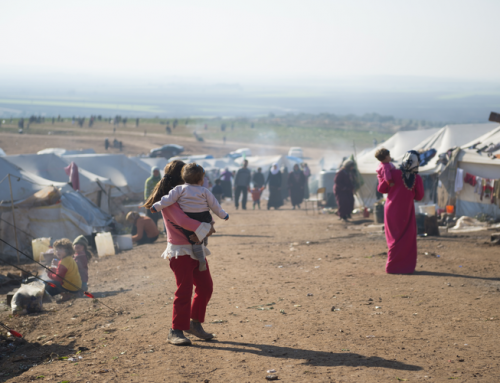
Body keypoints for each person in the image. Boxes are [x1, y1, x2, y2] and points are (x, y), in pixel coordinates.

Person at [144, 160, 216, 345]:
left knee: (205, 286)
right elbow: (182, 220)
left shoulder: (186, 197)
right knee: (184, 290)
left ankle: (194, 324)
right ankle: (175, 330)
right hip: (180, 250)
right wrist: (205, 227)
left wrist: (206, 224)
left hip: (196, 248)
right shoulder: (169, 201)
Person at [151, 163, 229, 271]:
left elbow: (166, 199)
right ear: (201, 180)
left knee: (195, 240)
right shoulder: (204, 191)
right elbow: (215, 206)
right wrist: (223, 215)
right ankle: (202, 256)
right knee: (199, 240)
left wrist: (156, 206)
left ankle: (201, 253)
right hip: (187, 242)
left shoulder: (178, 191)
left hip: (190, 222)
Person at [378, 151, 424, 274]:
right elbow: (419, 196)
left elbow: (382, 189)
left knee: (394, 238)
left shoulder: (392, 173)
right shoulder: (417, 178)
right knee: (407, 238)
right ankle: (405, 267)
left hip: (391, 209)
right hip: (406, 211)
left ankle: (392, 267)